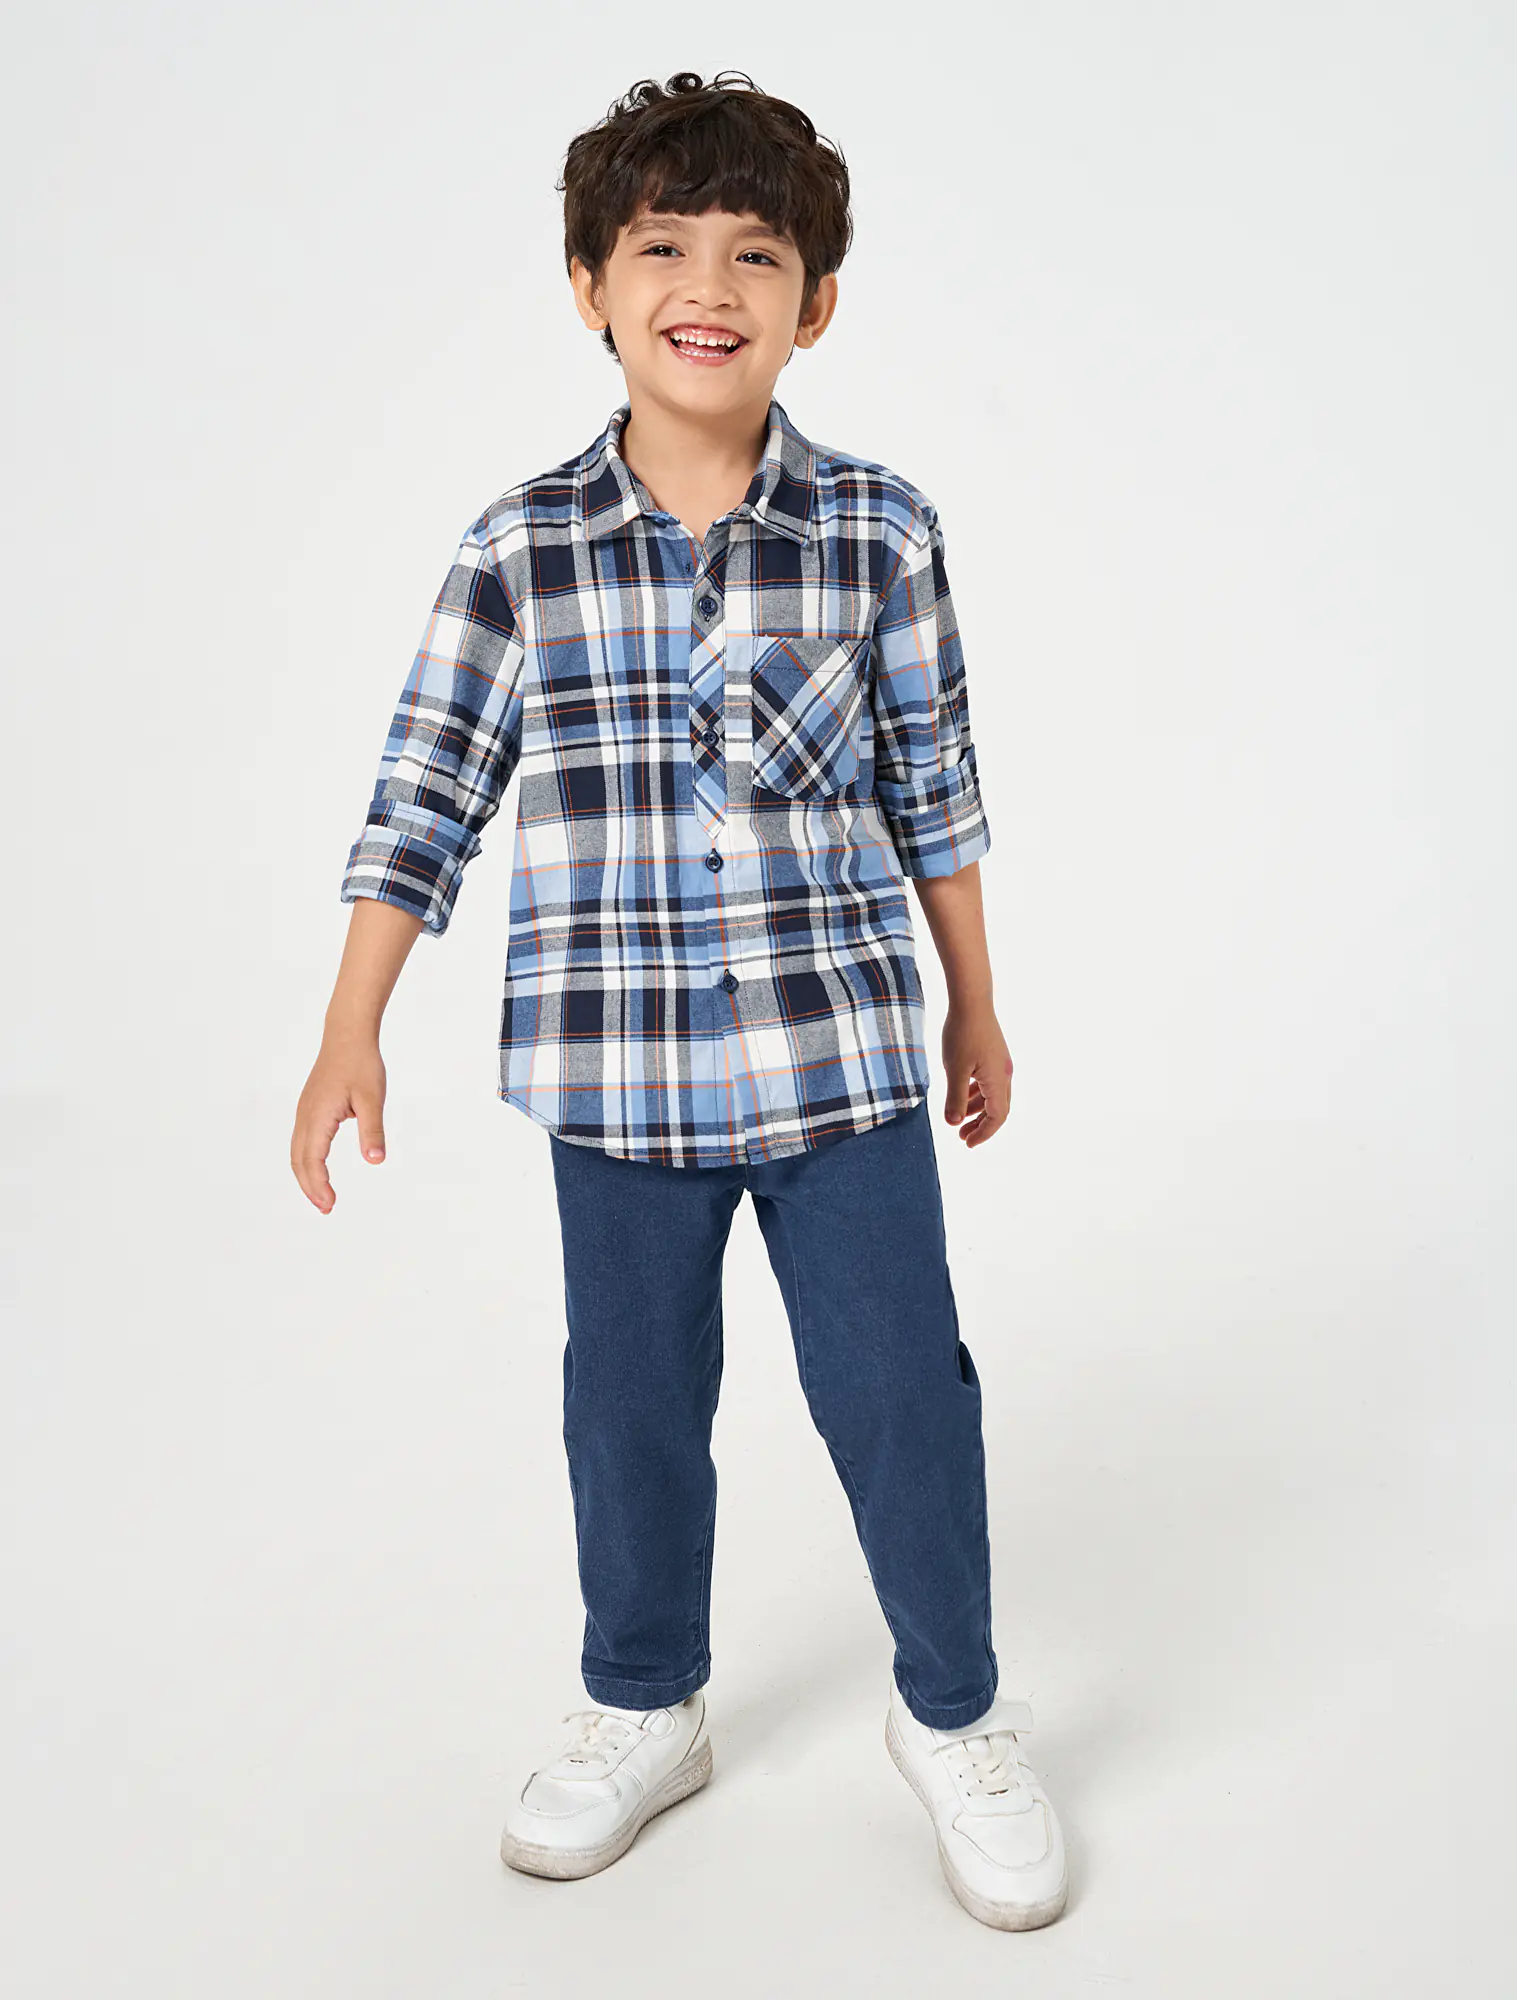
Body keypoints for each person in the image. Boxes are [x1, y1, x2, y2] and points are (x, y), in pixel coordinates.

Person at [291, 68, 1069, 1932]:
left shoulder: (879, 532)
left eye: (756, 253)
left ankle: (956, 1715)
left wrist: (975, 1007)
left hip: (841, 1062)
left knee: (903, 1392)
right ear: (590, 284)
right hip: (614, 1074)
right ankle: (646, 1700)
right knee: (629, 1402)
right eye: (661, 248)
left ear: (818, 301)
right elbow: (426, 793)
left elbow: (936, 788)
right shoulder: (520, 550)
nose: (707, 285)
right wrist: (346, 1028)